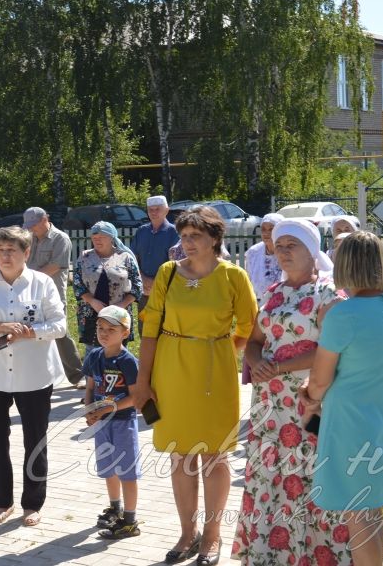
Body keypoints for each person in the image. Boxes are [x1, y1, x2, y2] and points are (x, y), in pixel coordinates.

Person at [135, 206, 257, 565]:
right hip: (171, 369)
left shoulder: (233, 276)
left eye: (195, 237)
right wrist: (143, 381)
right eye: (184, 236)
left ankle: (213, 535)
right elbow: (150, 329)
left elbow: (250, 325)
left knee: (215, 456)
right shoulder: (168, 273)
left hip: (214, 373)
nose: (187, 243)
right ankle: (187, 534)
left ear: (215, 239)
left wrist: (222, 349)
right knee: (180, 455)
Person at [233, 218, 349, 565]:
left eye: (292, 245)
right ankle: (273, 554)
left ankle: (315, 555)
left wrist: (280, 367)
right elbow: (254, 341)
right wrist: (256, 362)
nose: (283, 252)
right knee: (273, 476)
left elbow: (333, 348)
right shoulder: (272, 293)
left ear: (312, 250)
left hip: (308, 401)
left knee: (309, 474)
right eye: (279, 246)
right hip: (269, 406)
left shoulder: (329, 293)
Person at [301, 231, 383, 566]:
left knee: (358, 516)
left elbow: (320, 379)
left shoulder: (344, 315)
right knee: (372, 511)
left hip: (349, 424)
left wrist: (307, 396)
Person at [0, 226, 67, 528]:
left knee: (35, 440)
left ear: (26, 253)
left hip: (34, 376)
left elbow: (60, 325)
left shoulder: (42, 283)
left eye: (11, 250)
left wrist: (31, 332)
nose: (4, 256)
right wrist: (1, 328)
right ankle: (3, 502)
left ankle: (32, 504)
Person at [83, 305, 141, 540]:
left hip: (122, 422)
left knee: (127, 471)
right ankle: (115, 508)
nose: (104, 333)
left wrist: (111, 407)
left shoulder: (127, 361)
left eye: (111, 329)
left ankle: (130, 520)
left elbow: (136, 398)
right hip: (101, 424)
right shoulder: (94, 356)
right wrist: (89, 410)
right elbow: (89, 387)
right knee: (108, 468)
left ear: (125, 333)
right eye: (100, 328)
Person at [24, 206, 84, 386]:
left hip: (53, 295)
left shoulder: (60, 239)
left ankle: (77, 375)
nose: (31, 229)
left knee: (60, 333)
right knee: (31, 331)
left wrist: (28, 278)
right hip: (30, 294)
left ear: (45, 219)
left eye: (34, 225)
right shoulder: (29, 238)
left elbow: (55, 266)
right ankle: (38, 374)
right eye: (29, 225)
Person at [73, 221, 142, 348]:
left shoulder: (125, 257)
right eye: (94, 238)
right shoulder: (85, 257)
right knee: (92, 351)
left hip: (119, 312)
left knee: (117, 352)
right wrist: (93, 301)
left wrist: (121, 305)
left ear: (112, 238)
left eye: (102, 237)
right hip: (91, 312)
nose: (97, 241)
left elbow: (137, 286)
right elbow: (77, 283)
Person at [131, 195, 179, 310]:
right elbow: (133, 258)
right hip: (144, 290)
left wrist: (156, 283)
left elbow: (177, 263)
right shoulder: (141, 231)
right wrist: (142, 278)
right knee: (144, 325)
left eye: (158, 209)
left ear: (166, 210)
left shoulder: (175, 232)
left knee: (166, 325)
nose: (153, 212)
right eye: (150, 210)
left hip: (167, 290)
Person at [243, 213, 285, 302]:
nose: (266, 233)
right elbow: (249, 281)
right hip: (258, 304)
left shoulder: (288, 251)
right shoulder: (253, 252)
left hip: (283, 304)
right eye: (263, 229)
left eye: (271, 229)